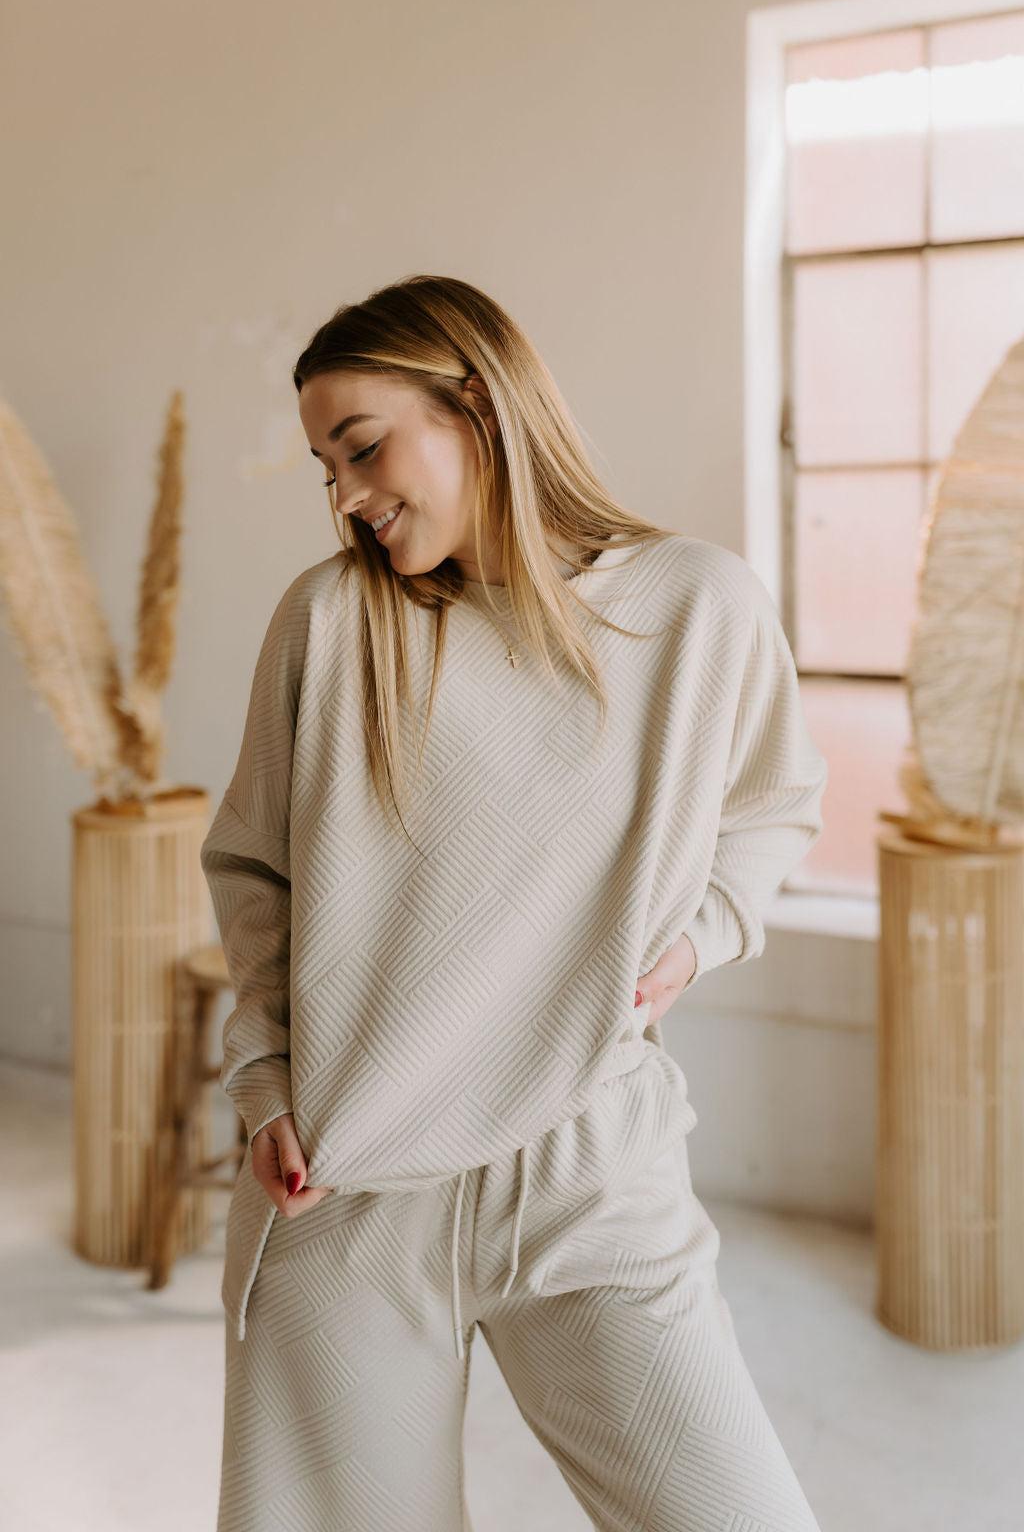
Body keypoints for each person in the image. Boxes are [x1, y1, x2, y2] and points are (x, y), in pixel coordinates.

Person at [201, 273, 828, 1532]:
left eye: (363, 448)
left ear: (478, 405)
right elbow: (256, 875)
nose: (346, 496)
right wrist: (264, 1082)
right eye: (327, 468)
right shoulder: (331, 622)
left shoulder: (695, 606)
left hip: (594, 1167)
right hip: (347, 1182)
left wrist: (698, 935)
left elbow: (773, 805)